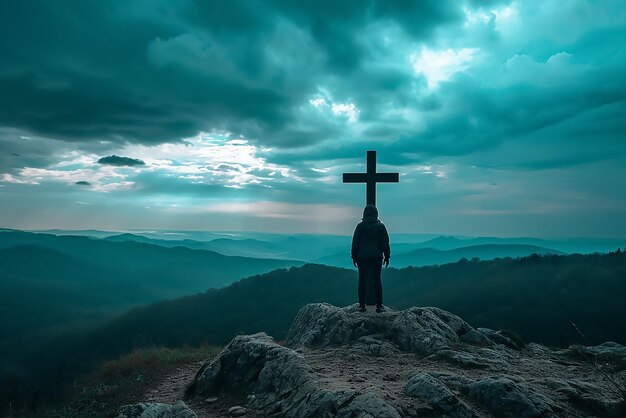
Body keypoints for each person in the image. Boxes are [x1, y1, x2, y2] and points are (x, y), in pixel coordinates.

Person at [351, 204, 390, 313]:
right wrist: (387, 256)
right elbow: (385, 243)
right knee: (377, 280)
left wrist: (354, 256)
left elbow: (355, 242)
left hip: (362, 257)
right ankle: (379, 306)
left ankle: (362, 306)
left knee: (362, 280)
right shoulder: (381, 227)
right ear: (376, 214)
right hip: (376, 257)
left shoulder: (360, 226)